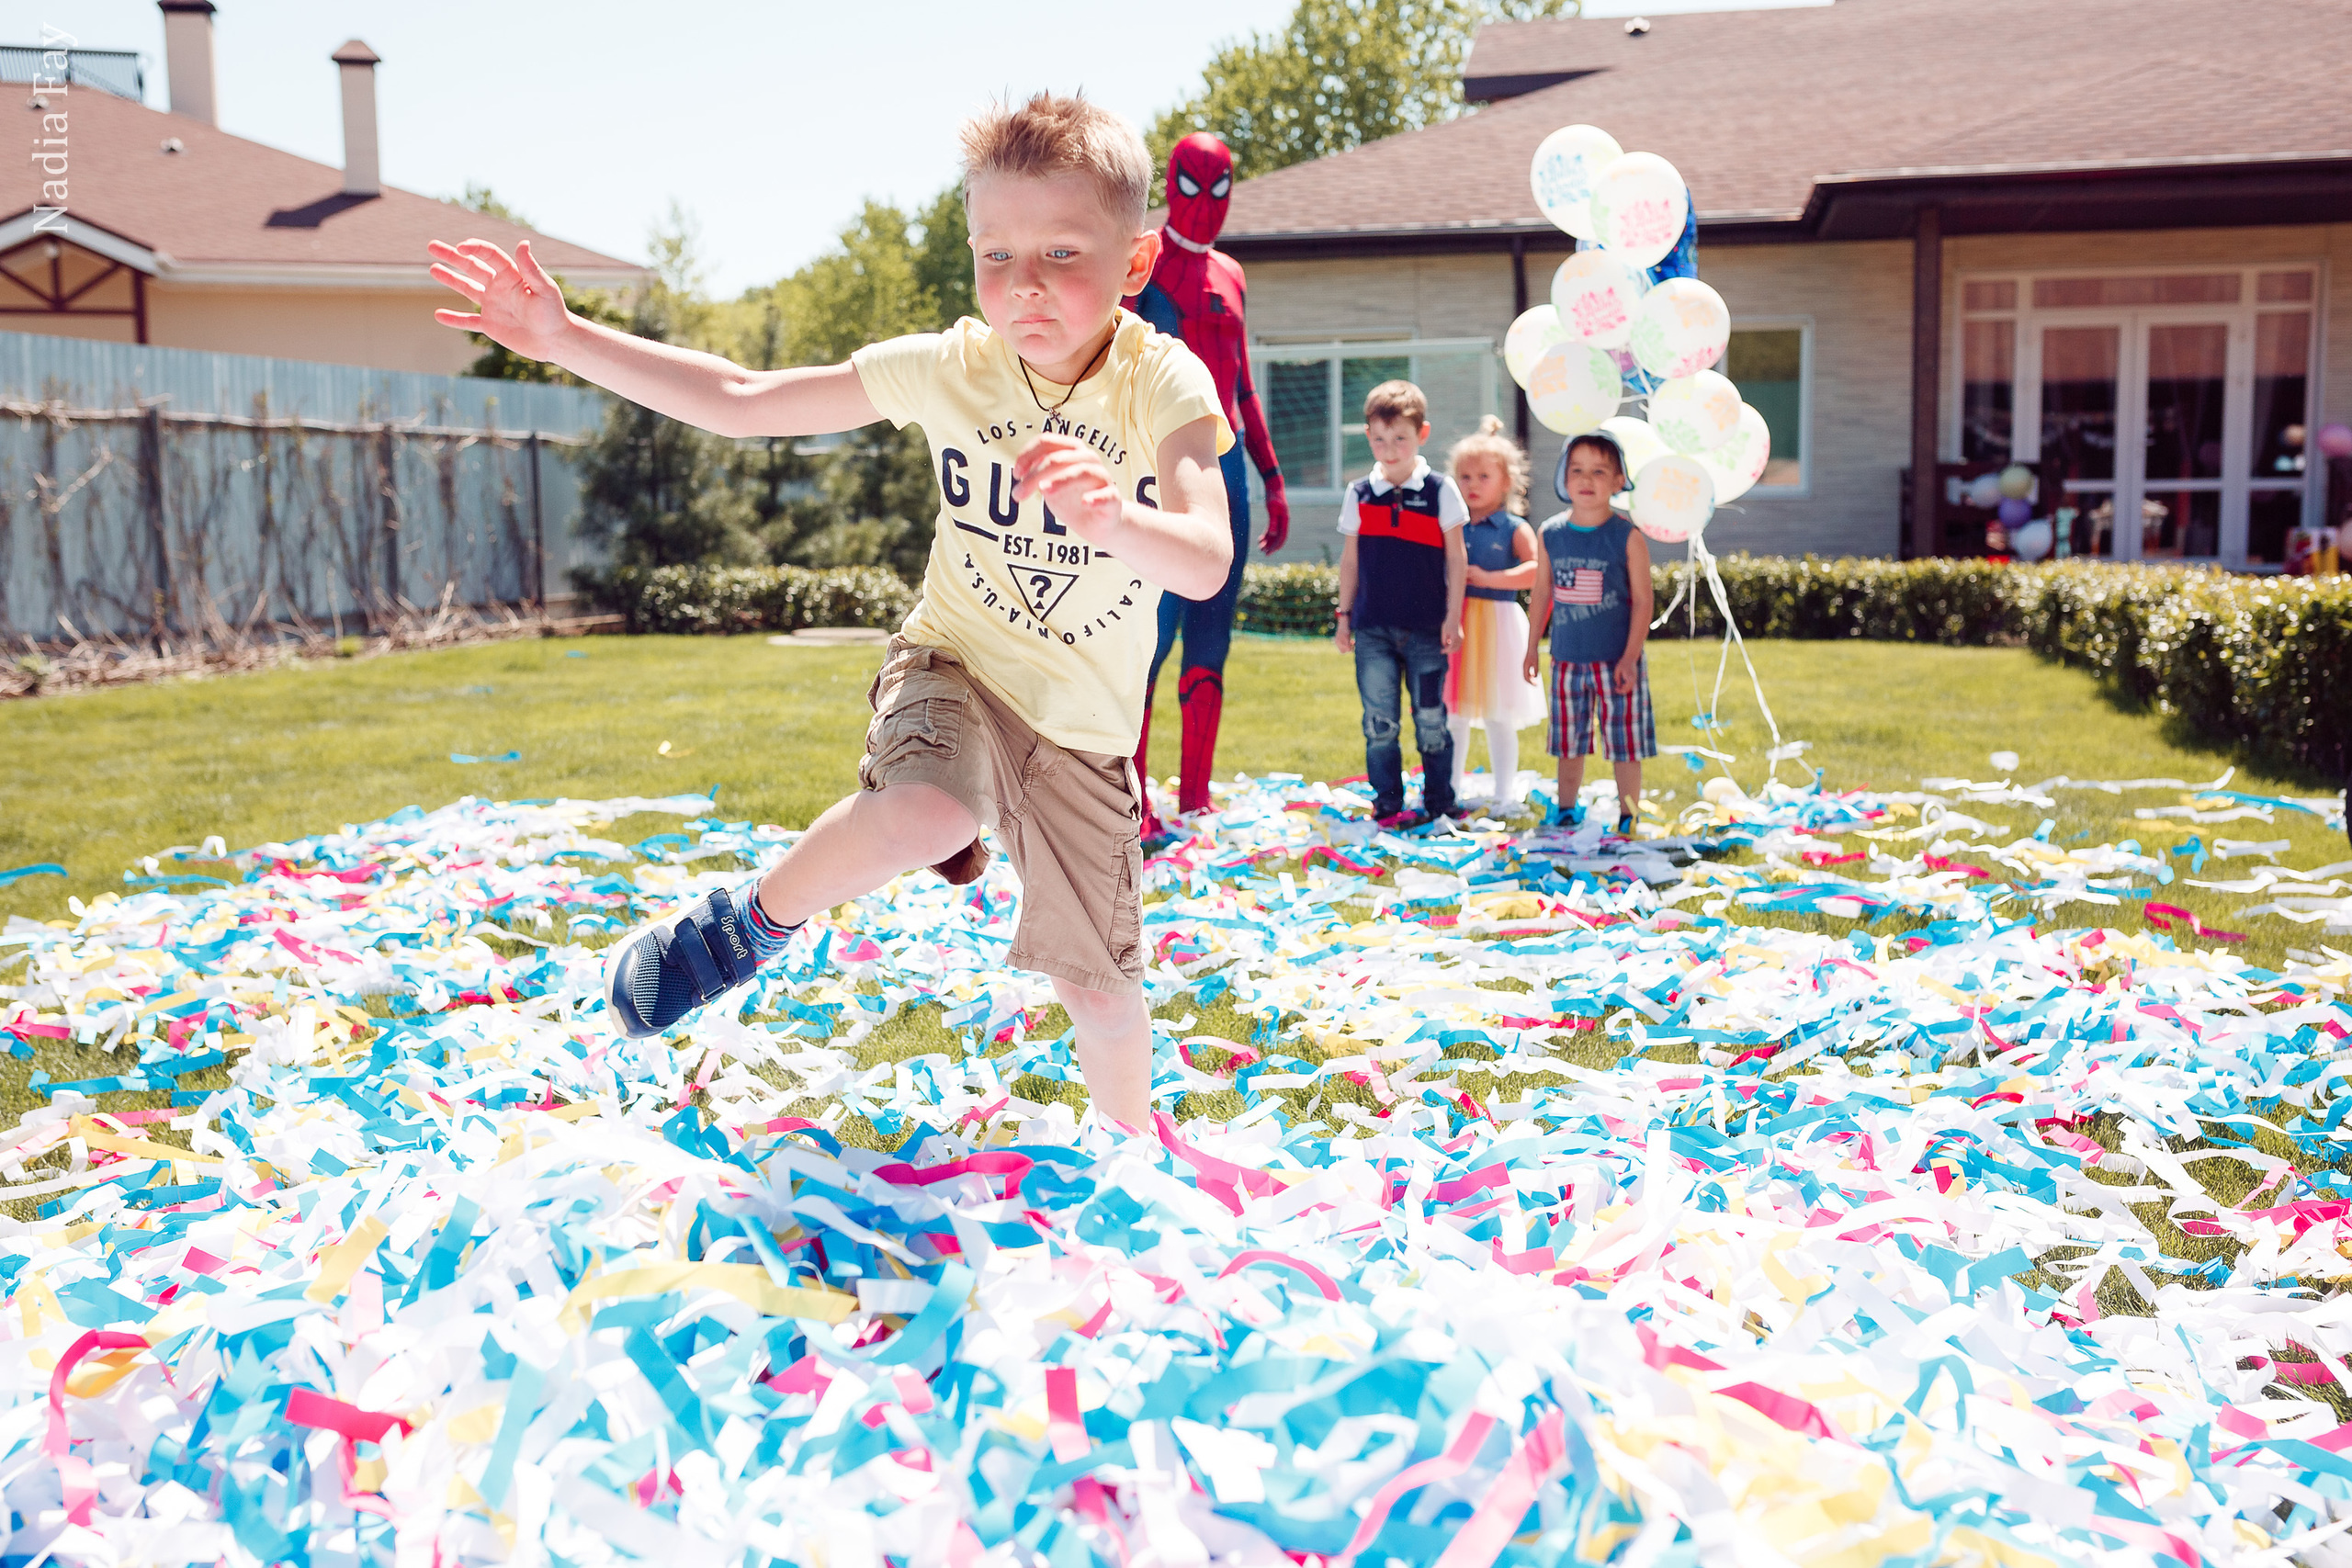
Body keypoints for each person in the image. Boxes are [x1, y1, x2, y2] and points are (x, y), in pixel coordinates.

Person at [426, 93, 1236, 1134]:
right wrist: (565, 336)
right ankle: (740, 931)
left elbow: (1206, 558)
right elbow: (745, 400)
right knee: (931, 812)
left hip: (1085, 730)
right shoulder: (952, 367)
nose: (1025, 284)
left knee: (1104, 997)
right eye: (996, 254)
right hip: (957, 664)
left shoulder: (1161, 380)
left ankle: (1133, 1166)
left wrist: (1115, 517)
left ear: (1136, 262)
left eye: (1062, 253)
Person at [1125, 132, 1290, 842]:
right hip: (1160, 463)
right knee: (1148, 636)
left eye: (1219, 188)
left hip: (1227, 470)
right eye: (1191, 185)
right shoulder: (1143, 261)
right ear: (1169, 184)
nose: (1204, 203)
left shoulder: (1231, 272)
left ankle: (1195, 795)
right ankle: (1130, 799)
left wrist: (1272, 477)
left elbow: (1242, 383)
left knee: (1211, 635)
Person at [1334, 380, 1468, 827]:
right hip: (1373, 630)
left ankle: (1440, 803)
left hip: (1428, 629)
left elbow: (1457, 558)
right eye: (1379, 439)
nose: (1389, 449)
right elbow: (1350, 561)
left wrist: (1453, 617)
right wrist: (1343, 617)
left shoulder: (1441, 490)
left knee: (1431, 721)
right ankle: (1388, 804)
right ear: (1367, 436)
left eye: (1400, 438)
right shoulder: (1359, 493)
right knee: (1379, 723)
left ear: (1422, 434)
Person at [1524, 433, 1656, 836]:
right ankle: (1566, 810)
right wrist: (1531, 648)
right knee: (1568, 744)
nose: (1586, 479)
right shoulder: (1550, 533)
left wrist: (1630, 657)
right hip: (1567, 660)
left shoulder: (1627, 536)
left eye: (1599, 471)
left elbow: (1643, 601)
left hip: (1618, 662)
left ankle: (1628, 816)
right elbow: (1541, 592)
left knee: (1625, 745)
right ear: (1563, 479)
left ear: (1618, 481)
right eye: (1577, 470)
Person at [1443, 417, 1544, 811]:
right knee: (1453, 714)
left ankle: (1504, 792)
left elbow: (1536, 571)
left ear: (1506, 482)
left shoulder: (1513, 528)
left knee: (1499, 714)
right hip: (1456, 623)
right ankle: (1448, 789)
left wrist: (1490, 578)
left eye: (1484, 476)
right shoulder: (1451, 526)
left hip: (1498, 627)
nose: (1472, 484)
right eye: (1465, 476)